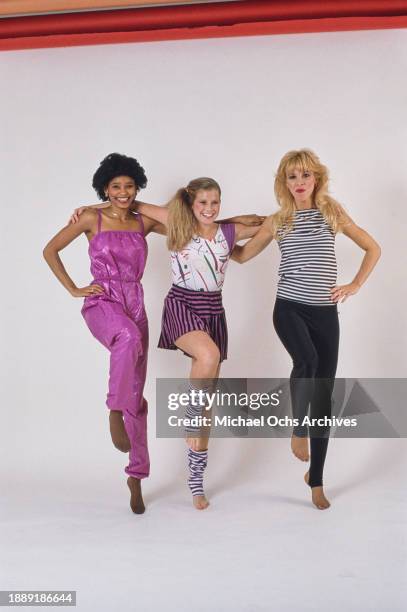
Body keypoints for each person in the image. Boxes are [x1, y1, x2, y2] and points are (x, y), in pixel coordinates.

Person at [71, 177, 263, 510]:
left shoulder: (221, 231)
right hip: (179, 305)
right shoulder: (173, 223)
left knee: (204, 406)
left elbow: (245, 229)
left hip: (210, 308)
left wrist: (242, 219)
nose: (208, 208)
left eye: (214, 202)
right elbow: (128, 204)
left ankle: (194, 482)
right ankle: (132, 409)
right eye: (201, 203)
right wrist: (91, 210)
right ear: (189, 204)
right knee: (205, 356)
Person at [232, 149, 381, 510]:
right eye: (291, 177)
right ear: (283, 183)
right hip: (289, 308)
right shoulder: (279, 219)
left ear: (317, 178)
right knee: (308, 362)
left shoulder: (332, 212)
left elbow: (372, 247)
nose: (298, 183)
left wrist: (355, 284)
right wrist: (213, 232)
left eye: (304, 176)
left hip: (325, 313)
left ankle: (316, 480)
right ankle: (298, 431)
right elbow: (242, 255)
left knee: (324, 397)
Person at [43, 153, 166, 514]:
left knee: (137, 395)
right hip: (103, 300)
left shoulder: (143, 221)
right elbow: (50, 250)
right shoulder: (89, 219)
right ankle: (113, 410)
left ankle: (137, 476)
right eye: (116, 187)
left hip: (136, 301)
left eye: (129, 186)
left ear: (137, 187)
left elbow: (181, 220)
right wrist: (73, 288)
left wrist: (135, 204)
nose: (123, 192)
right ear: (105, 188)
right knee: (126, 339)